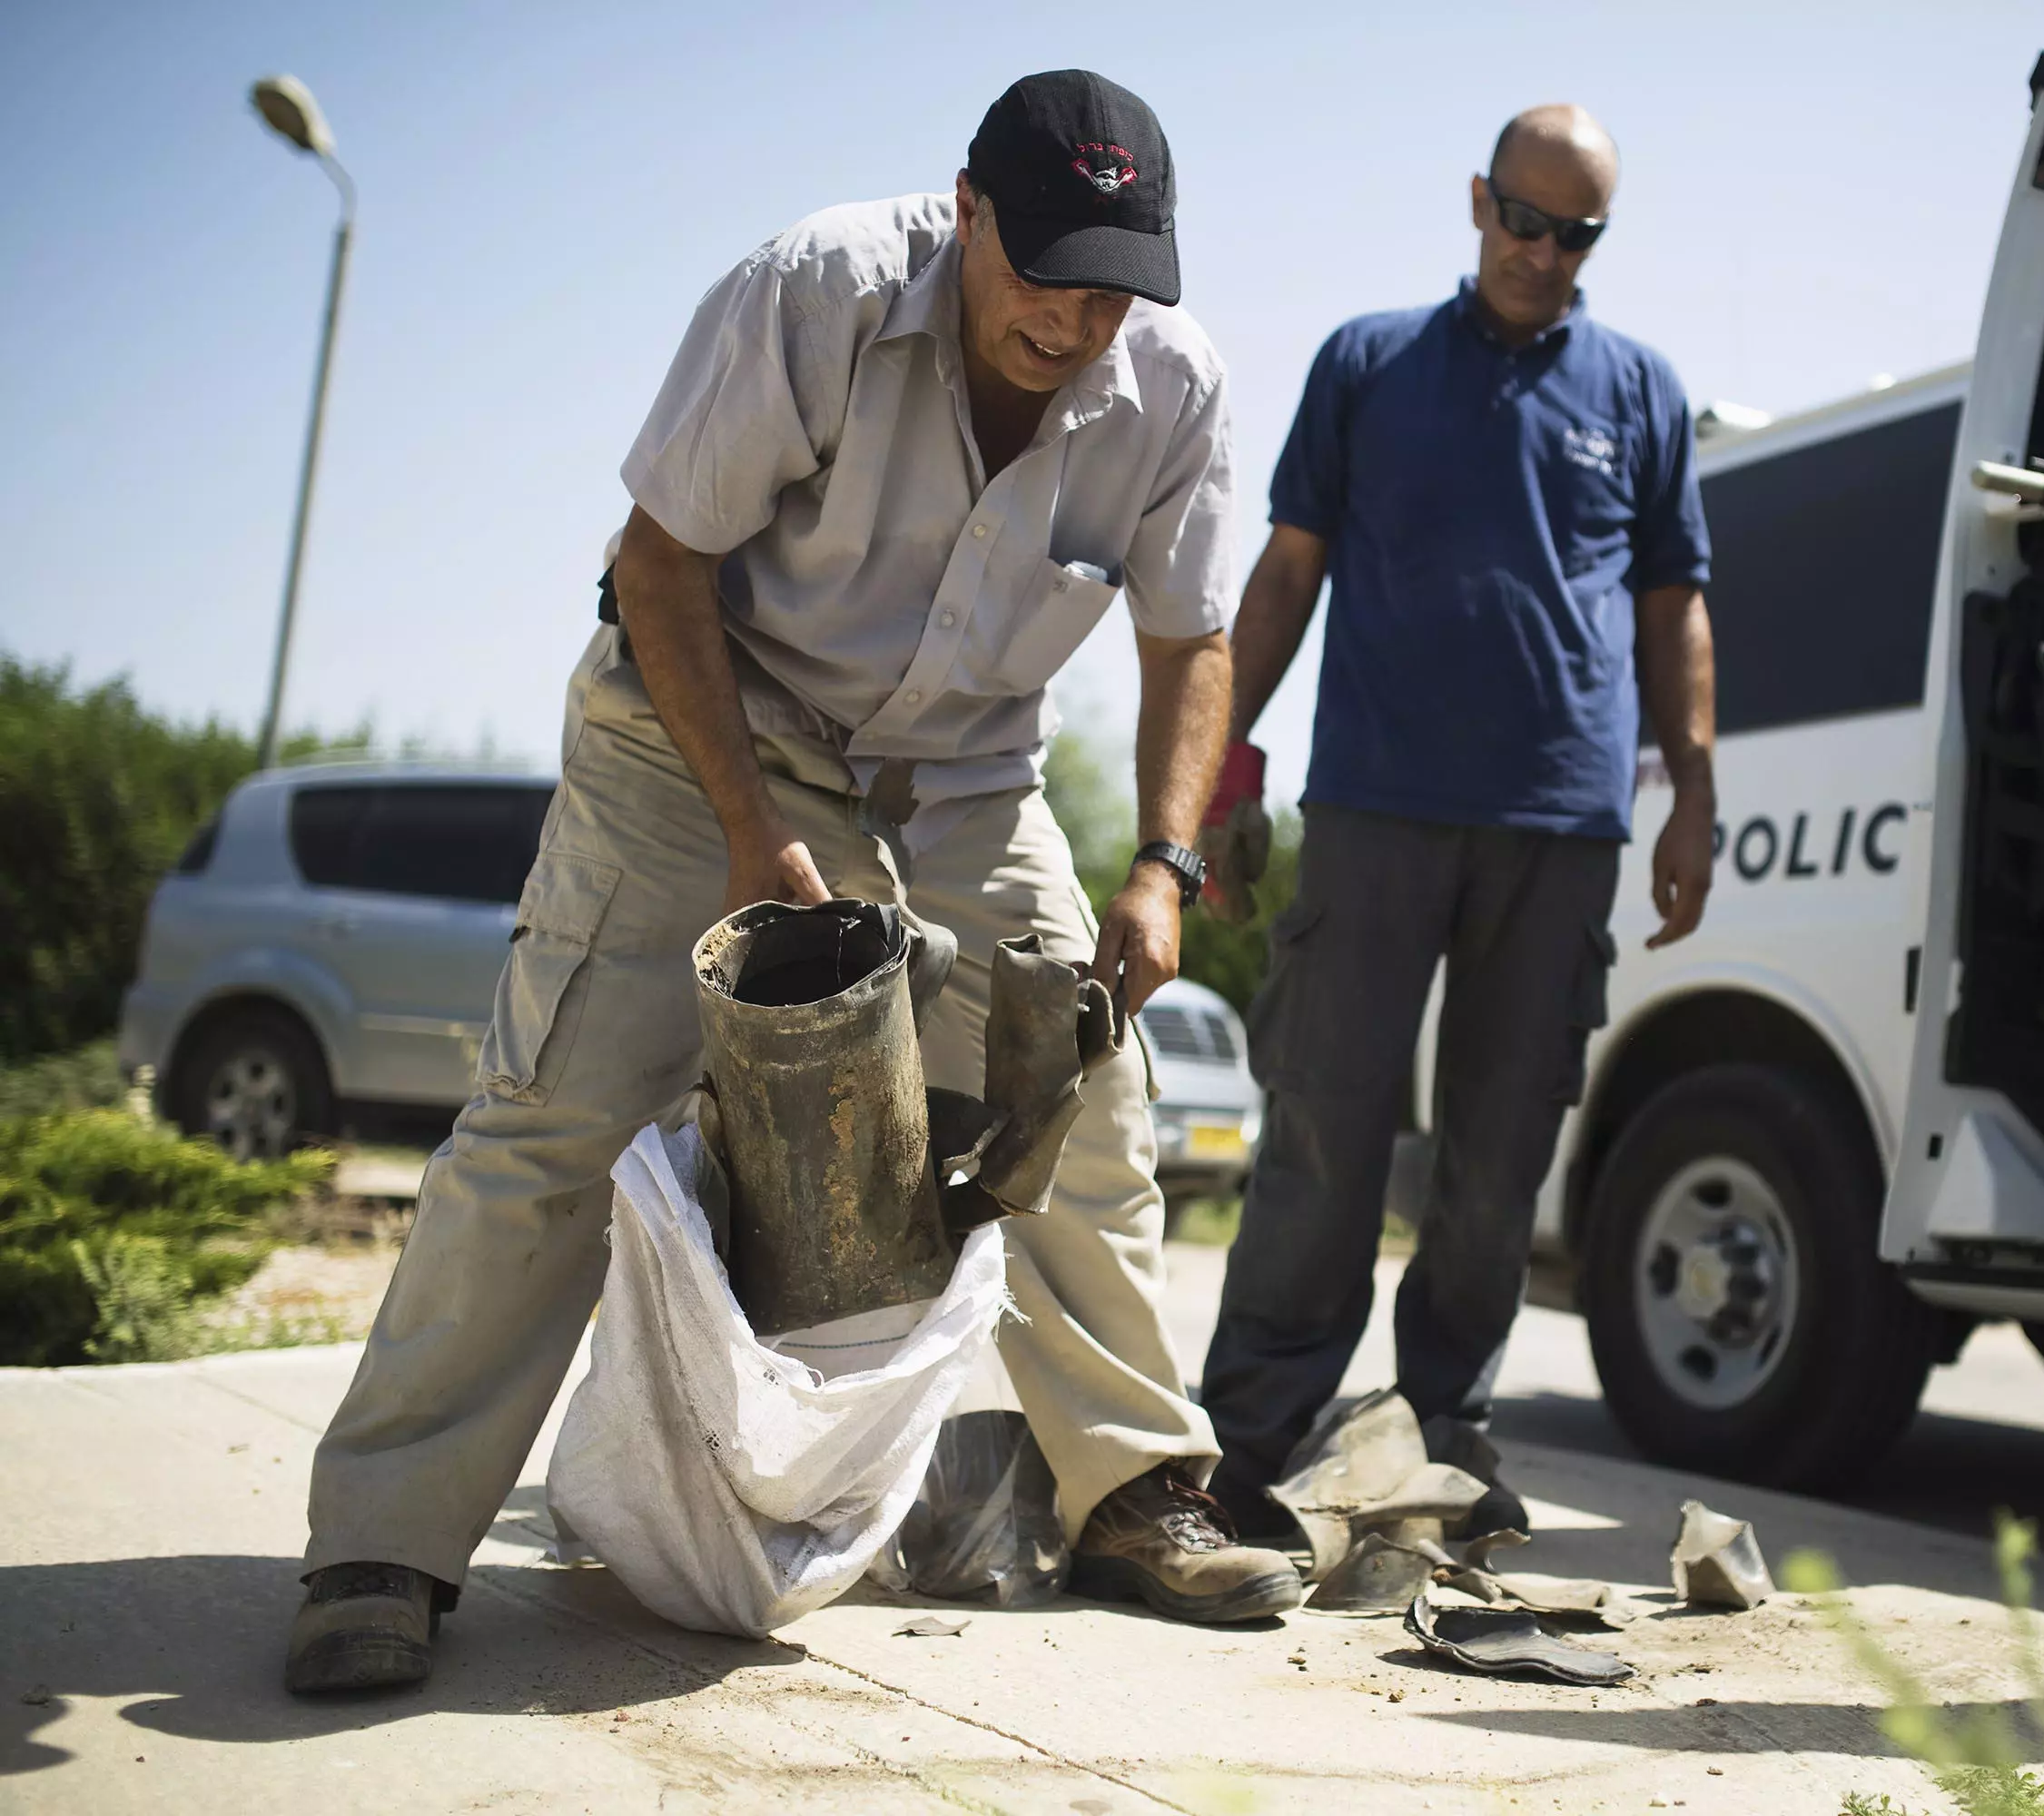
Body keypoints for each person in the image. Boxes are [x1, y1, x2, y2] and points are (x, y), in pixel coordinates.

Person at [286, 69, 1301, 1696]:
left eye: (1114, 284)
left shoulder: (1173, 390)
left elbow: (1190, 646)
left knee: (1080, 1091)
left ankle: (1135, 1494)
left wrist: (1166, 865)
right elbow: (658, 562)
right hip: (703, 724)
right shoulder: (811, 289)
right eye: (1044, 270)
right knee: (561, 1104)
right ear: (965, 211)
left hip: (964, 775)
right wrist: (755, 841)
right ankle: (382, 1542)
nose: (1074, 319)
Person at [1199, 104, 1717, 1535]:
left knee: (1499, 1151)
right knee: (1326, 1127)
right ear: (1478, 201)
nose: (1545, 254)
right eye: (1526, 220)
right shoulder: (1369, 364)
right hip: (1375, 809)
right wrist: (1219, 772)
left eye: (1577, 234)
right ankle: (1253, 1447)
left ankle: (1446, 1437)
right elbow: (1286, 575)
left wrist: (1696, 798)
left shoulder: (1642, 393)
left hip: (1560, 826)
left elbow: (1675, 607)